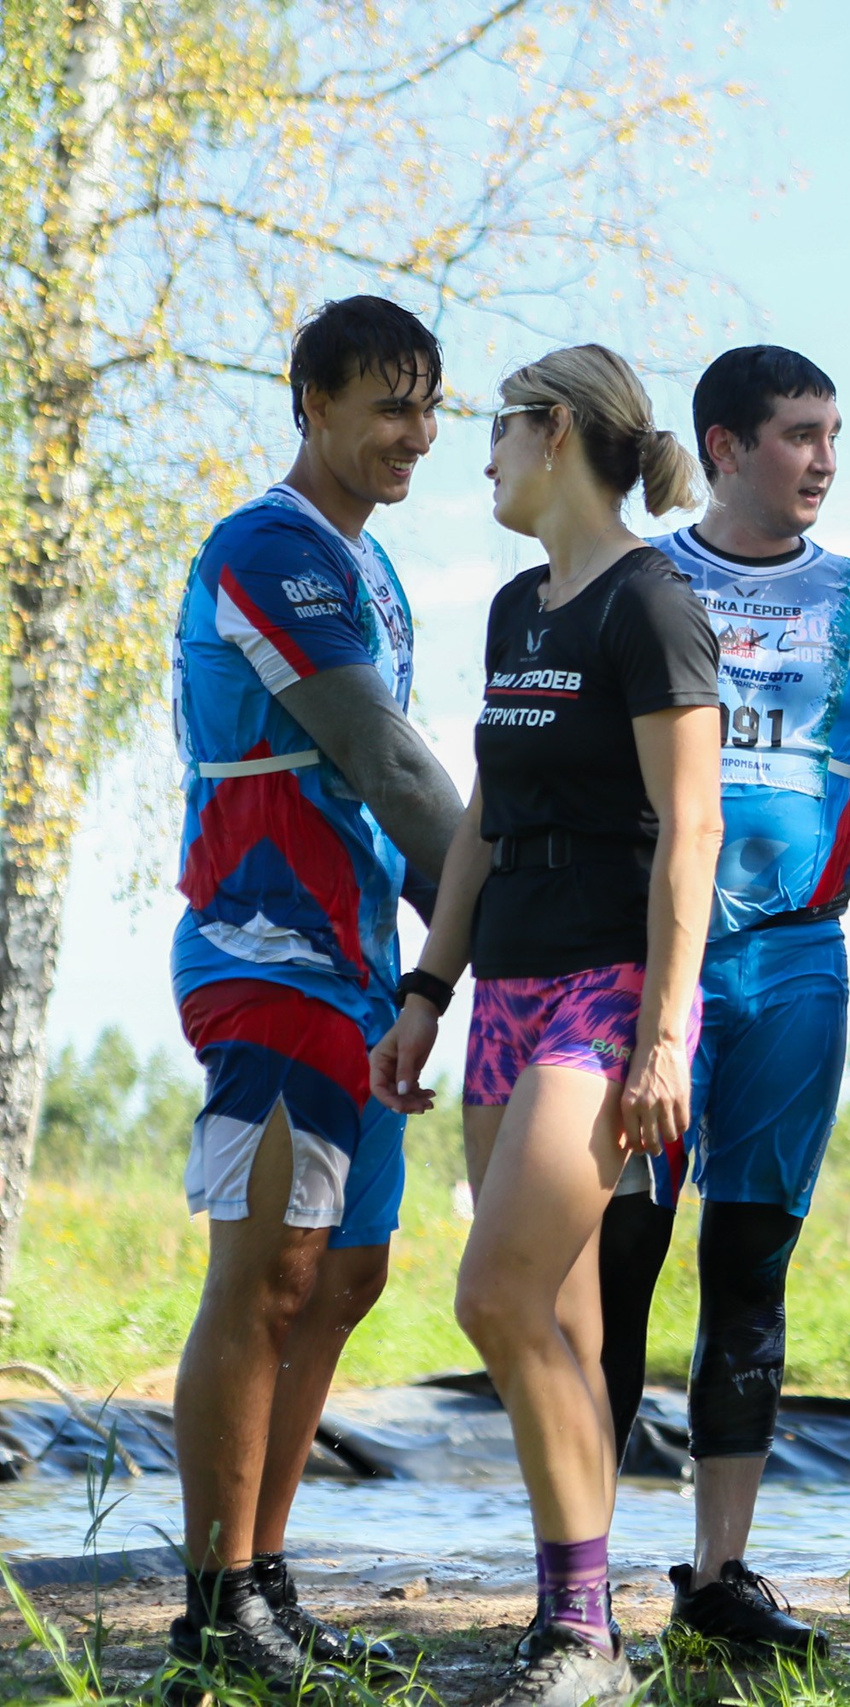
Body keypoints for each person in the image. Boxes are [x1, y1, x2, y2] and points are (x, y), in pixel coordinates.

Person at [372, 344, 721, 1707]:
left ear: (556, 430)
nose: (482, 456)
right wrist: (427, 987)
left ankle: (581, 1631)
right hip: (505, 991)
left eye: (498, 430)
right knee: (559, 1329)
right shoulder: (520, 606)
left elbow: (690, 828)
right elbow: (482, 820)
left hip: (607, 992)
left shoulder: (654, 603)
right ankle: (576, 1620)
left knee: (493, 1293)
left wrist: (666, 1035)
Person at [581, 345, 850, 1655]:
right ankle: (580, 1578)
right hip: (648, 966)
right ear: (724, 446)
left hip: (794, 963)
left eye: (836, 433)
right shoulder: (642, 582)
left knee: (752, 1266)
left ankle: (719, 1574)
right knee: (615, 1264)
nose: (826, 458)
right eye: (798, 434)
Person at [166, 296, 464, 1689]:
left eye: (429, 408)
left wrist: (442, 955)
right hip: (261, 951)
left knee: (347, 1271)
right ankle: (214, 1600)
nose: (413, 434)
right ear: (312, 404)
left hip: (360, 968)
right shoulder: (270, 546)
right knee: (271, 1265)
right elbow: (397, 773)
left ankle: (268, 1576)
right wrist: (530, 930)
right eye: (387, 405)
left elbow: (402, 816)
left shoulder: (375, 567)